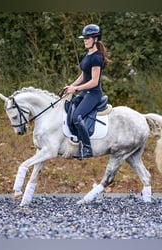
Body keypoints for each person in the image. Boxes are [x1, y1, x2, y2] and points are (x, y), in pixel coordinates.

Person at [64, 24, 111, 160]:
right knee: (70, 106)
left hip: (94, 94)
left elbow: (94, 82)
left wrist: (76, 89)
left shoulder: (96, 57)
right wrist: (71, 86)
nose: (85, 40)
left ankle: (87, 147)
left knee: (77, 117)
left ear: (95, 39)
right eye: (84, 38)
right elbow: (84, 75)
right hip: (86, 92)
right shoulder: (88, 54)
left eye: (87, 38)